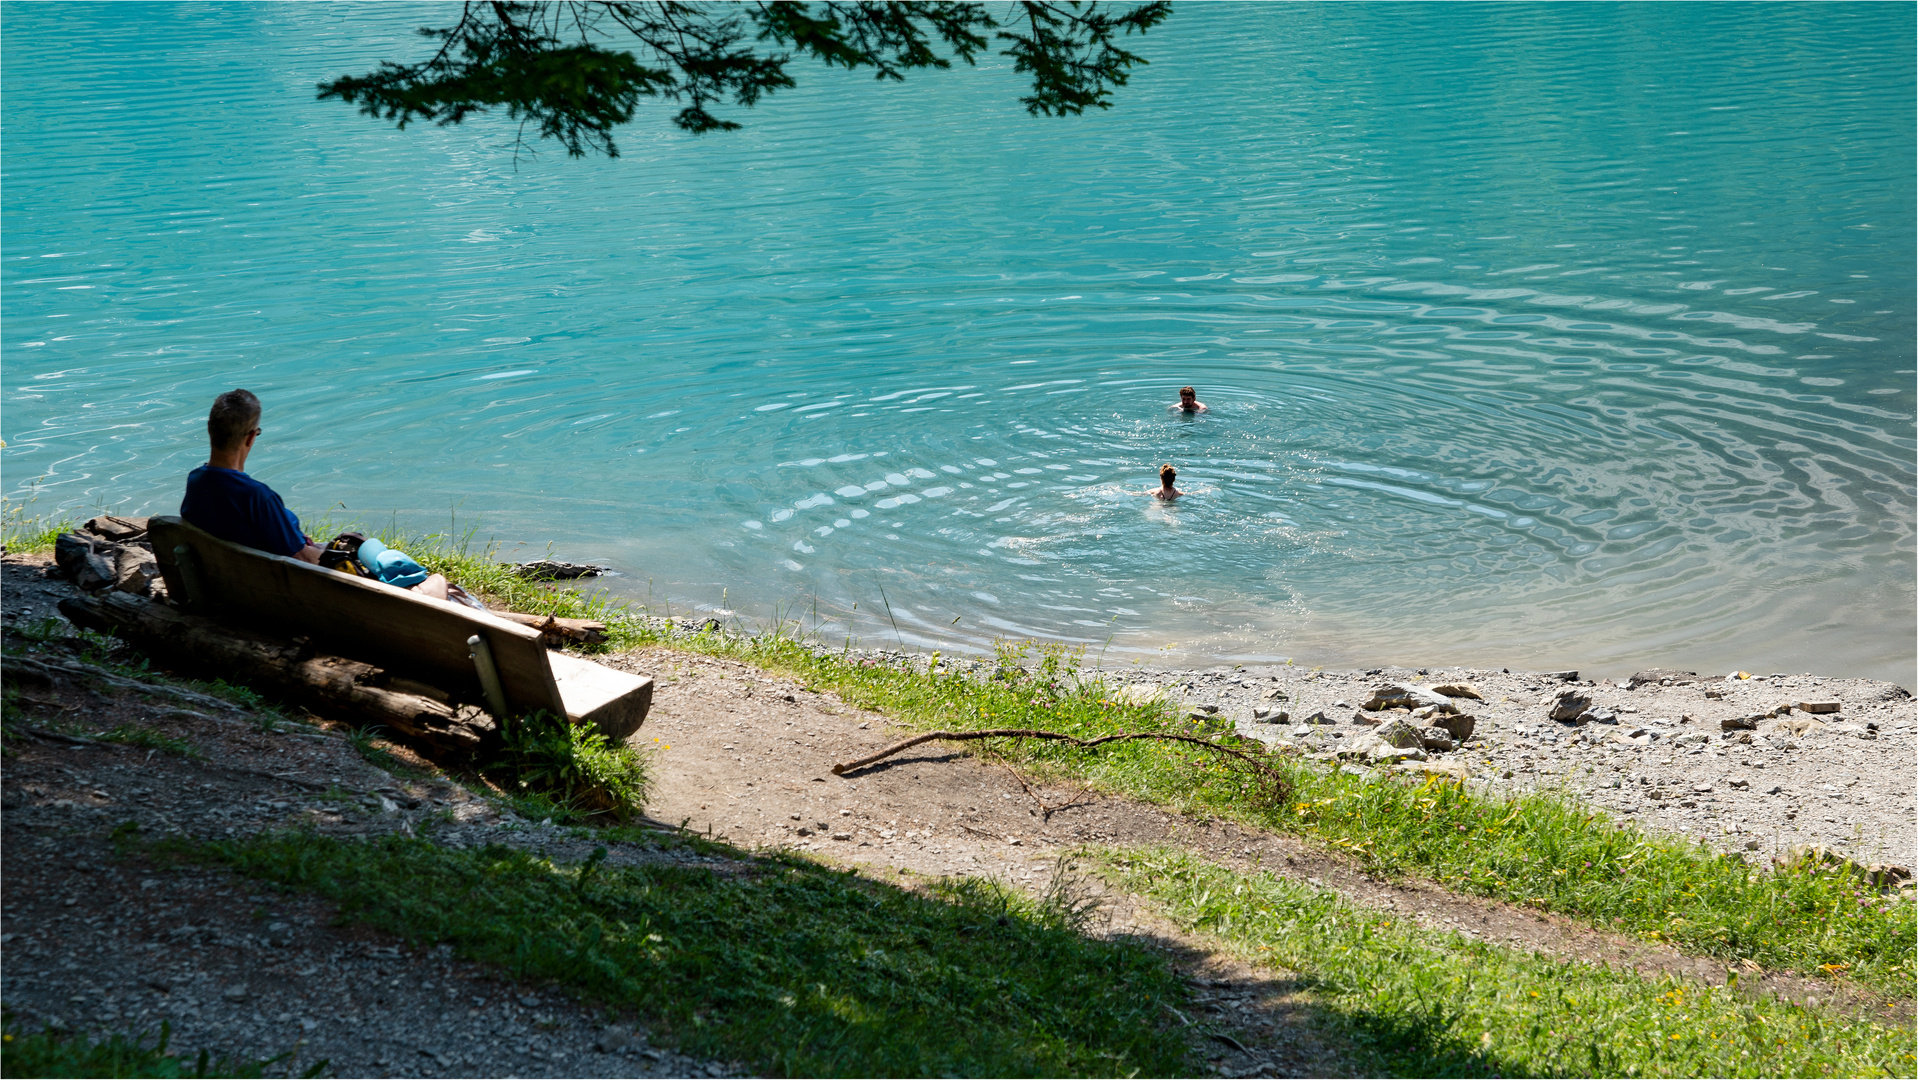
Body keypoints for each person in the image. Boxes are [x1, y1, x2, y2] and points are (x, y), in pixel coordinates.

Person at [180, 389, 453, 600]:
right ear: (251, 437)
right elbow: (303, 562)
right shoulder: (257, 497)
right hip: (297, 595)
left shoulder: (197, 482)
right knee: (431, 579)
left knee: (362, 545)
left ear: (210, 430)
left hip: (239, 586)